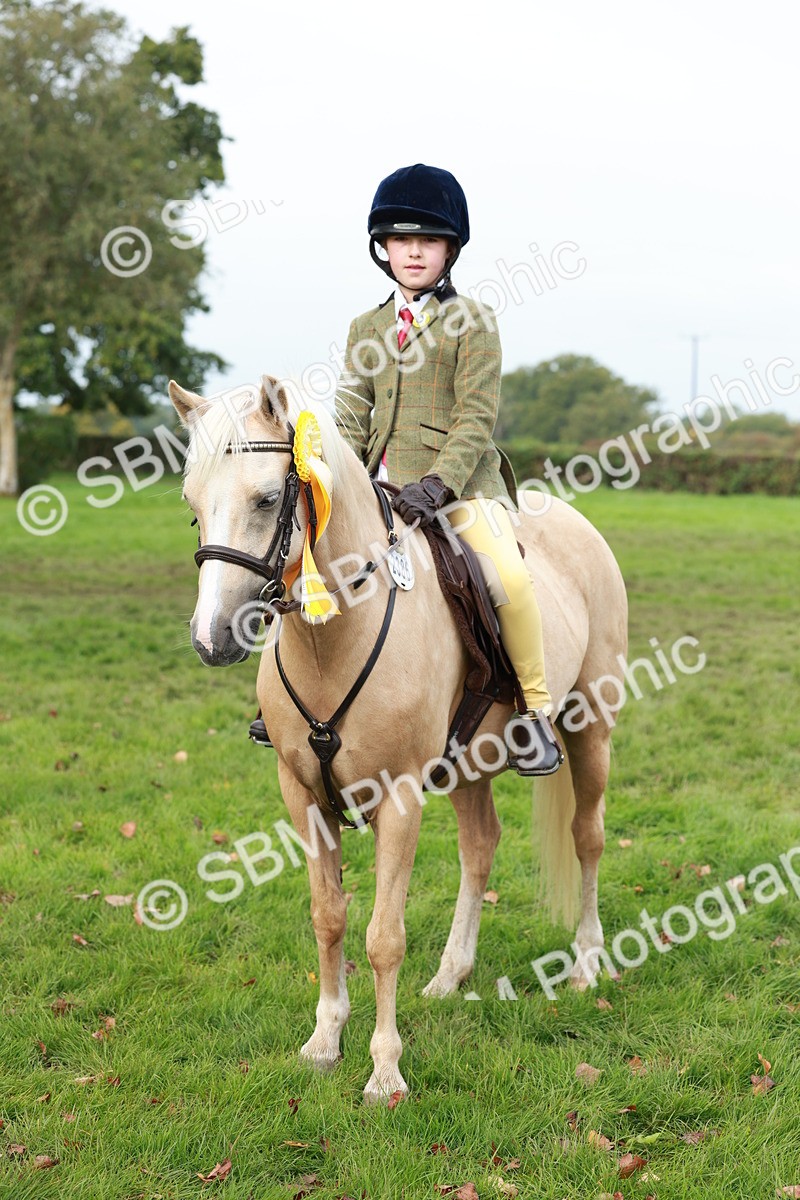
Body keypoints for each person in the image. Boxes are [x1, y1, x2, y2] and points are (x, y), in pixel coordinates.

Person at [335, 163, 563, 776]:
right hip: (378, 487)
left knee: (508, 580)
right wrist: (335, 482)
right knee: (307, 563)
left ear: (450, 249)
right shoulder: (366, 328)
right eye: (401, 240)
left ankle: (534, 714)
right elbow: (352, 418)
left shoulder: (474, 322)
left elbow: (475, 417)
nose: (414, 251)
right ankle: (292, 704)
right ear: (382, 248)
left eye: (428, 240)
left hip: (458, 488)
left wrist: (439, 482)